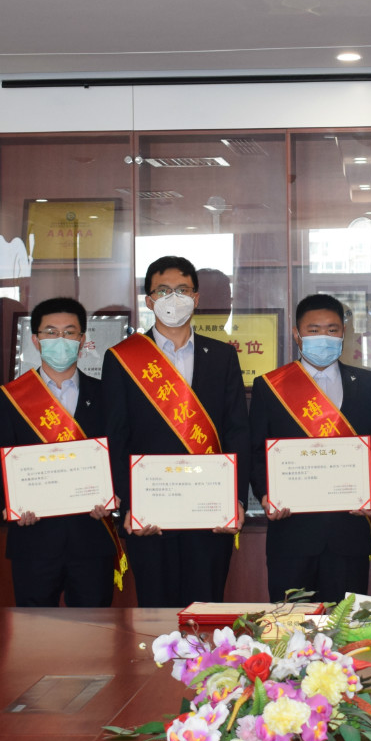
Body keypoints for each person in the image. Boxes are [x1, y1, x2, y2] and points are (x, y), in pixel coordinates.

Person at [102, 256, 248, 607]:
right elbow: (116, 436)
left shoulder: (222, 356)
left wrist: (237, 499)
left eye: (182, 290)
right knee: (155, 612)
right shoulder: (122, 358)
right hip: (151, 511)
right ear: (149, 300)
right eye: (163, 291)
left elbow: (236, 431)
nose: (173, 298)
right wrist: (129, 503)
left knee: (206, 608)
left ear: (196, 298)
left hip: (210, 510)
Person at [249, 294, 371, 603]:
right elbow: (256, 451)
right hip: (291, 534)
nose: (323, 337)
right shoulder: (270, 387)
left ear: (343, 333)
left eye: (332, 329)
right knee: (290, 626)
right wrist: (266, 494)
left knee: (345, 624)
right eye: (313, 330)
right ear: (297, 334)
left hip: (348, 534)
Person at [0, 296, 122, 608]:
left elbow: (118, 452)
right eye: (50, 332)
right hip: (33, 538)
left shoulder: (106, 395)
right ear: (36, 340)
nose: (60, 340)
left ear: (82, 340)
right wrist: (11, 504)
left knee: (94, 631)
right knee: (34, 632)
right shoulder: (9, 398)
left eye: (69, 332)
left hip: (91, 537)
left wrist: (114, 499)